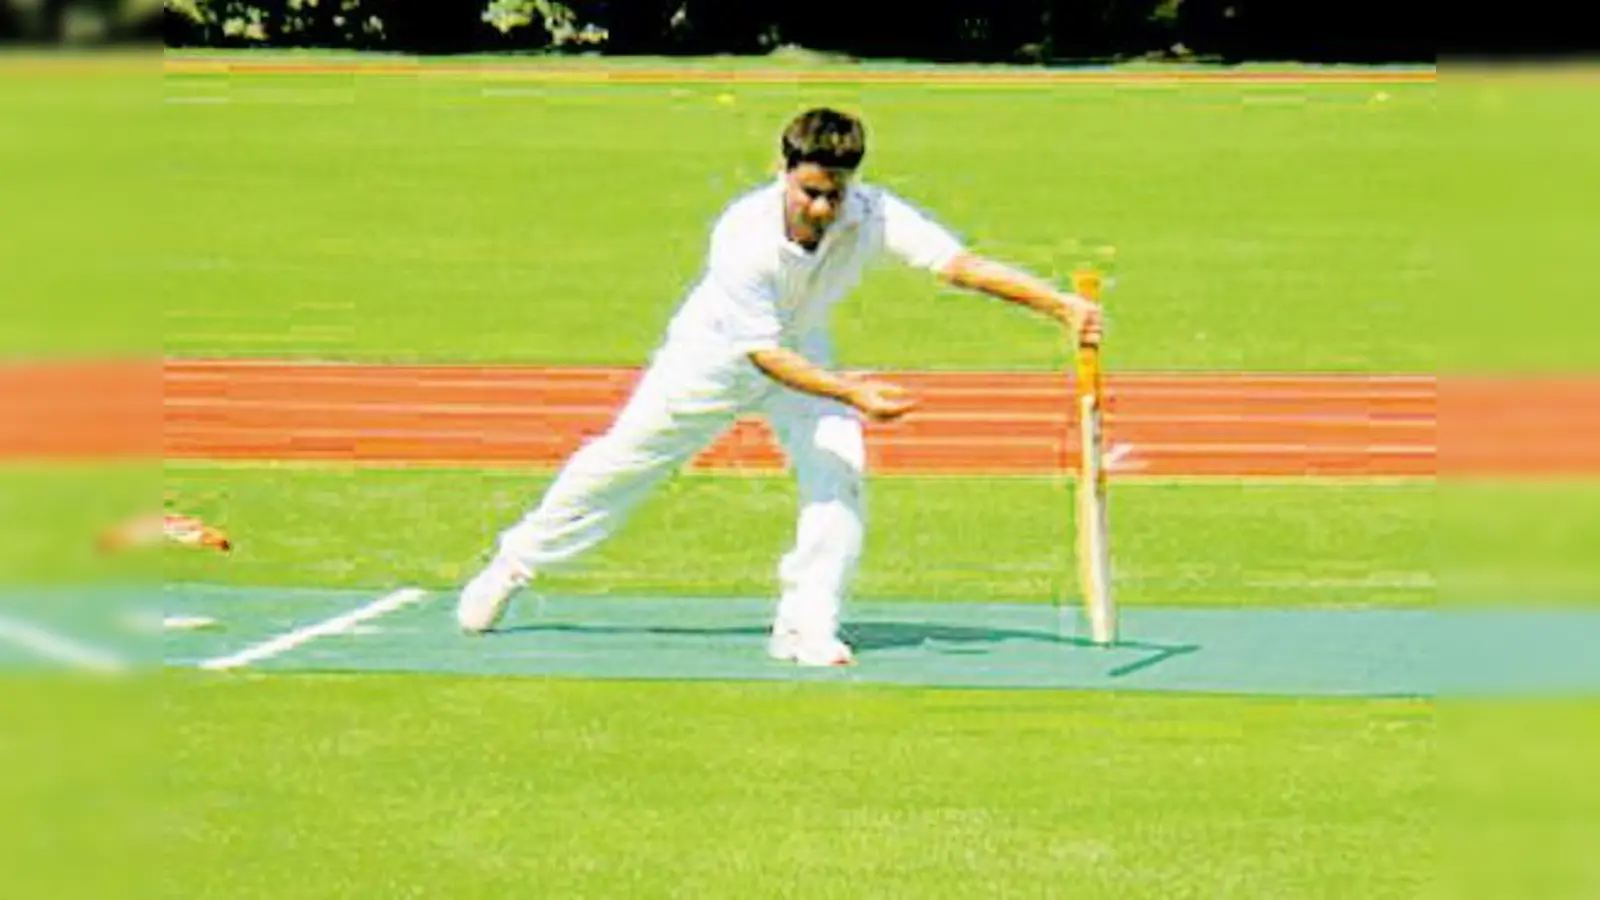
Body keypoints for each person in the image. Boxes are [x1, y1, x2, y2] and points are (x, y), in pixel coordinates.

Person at [457, 106, 1103, 666]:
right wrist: (852, 393)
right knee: (619, 465)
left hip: (800, 350)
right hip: (712, 362)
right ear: (783, 170)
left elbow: (958, 265)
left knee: (839, 468)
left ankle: (805, 625)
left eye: (836, 193)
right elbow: (761, 354)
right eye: (811, 192)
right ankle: (513, 564)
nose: (823, 208)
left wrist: (1060, 307)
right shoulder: (743, 237)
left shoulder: (872, 213)